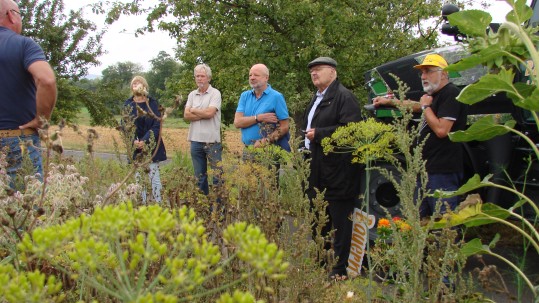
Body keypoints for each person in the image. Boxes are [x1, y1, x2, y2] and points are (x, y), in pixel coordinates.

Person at [373, 53, 467, 218]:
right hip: (425, 170)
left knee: (444, 222)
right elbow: (416, 106)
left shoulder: (451, 93)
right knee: (420, 220)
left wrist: (425, 108)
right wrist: (390, 102)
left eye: (428, 71)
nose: (423, 76)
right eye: (421, 73)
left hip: (442, 171)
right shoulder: (434, 96)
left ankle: (448, 244)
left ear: (444, 73)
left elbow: (441, 130)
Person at [302, 57, 362, 279]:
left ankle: (340, 269)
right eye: (312, 71)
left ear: (333, 73)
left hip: (339, 171)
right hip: (317, 167)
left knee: (339, 220)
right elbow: (307, 126)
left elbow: (352, 131)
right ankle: (321, 260)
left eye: (319, 70)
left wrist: (319, 134)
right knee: (319, 215)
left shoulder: (344, 97)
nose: (314, 74)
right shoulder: (317, 98)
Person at [0, 0, 57, 181]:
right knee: (25, 203)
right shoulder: (23, 45)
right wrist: (42, 120)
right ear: (11, 15)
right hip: (16, 141)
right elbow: (47, 80)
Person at [123, 76, 166, 203]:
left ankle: (159, 206)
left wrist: (145, 140)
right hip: (135, 147)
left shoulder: (152, 103)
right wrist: (134, 141)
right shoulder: (128, 105)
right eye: (134, 83)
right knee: (138, 178)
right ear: (132, 87)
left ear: (145, 86)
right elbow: (125, 125)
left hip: (151, 145)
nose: (136, 85)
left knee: (154, 178)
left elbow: (157, 124)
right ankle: (142, 204)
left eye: (139, 82)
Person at [233, 63, 290, 154]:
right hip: (247, 150)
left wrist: (266, 141)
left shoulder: (276, 97)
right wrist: (258, 118)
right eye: (250, 75)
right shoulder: (245, 96)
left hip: (268, 152)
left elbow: (284, 126)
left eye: (256, 75)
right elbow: (237, 122)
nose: (252, 77)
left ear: (266, 78)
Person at [184, 64, 222, 195]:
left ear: (209, 78)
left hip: (212, 141)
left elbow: (210, 114)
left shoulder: (215, 93)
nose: (199, 79)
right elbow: (186, 115)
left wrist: (194, 110)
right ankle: (203, 207)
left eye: (202, 76)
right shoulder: (192, 95)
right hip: (195, 141)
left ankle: (219, 209)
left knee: (217, 177)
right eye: (197, 76)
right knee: (200, 177)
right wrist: (202, 113)